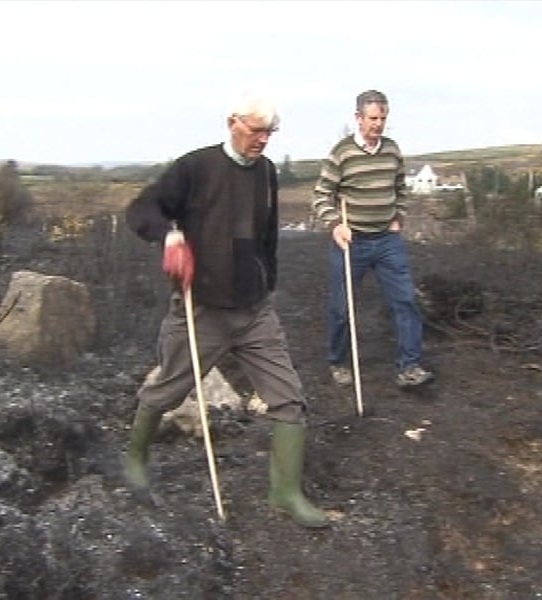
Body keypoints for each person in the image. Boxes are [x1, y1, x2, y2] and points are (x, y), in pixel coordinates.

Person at [123, 88, 329, 528]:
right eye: (257, 130)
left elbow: (266, 235)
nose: (263, 139)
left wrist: (267, 282)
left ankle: (286, 493)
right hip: (202, 309)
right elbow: (142, 208)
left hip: (255, 311)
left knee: (289, 399)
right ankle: (135, 458)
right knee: (168, 390)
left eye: (270, 132)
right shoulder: (195, 167)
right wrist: (170, 236)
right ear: (233, 123)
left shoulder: (266, 172)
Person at [312, 89, 433, 389]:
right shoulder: (342, 152)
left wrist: (398, 216)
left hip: (387, 240)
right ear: (358, 118)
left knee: (405, 301)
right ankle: (338, 362)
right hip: (351, 241)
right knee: (342, 307)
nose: (378, 124)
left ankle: (410, 367)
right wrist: (335, 225)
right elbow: (322, 195)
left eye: (382, 118)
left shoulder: (392, 150)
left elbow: (401, 188)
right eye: (372, 118)